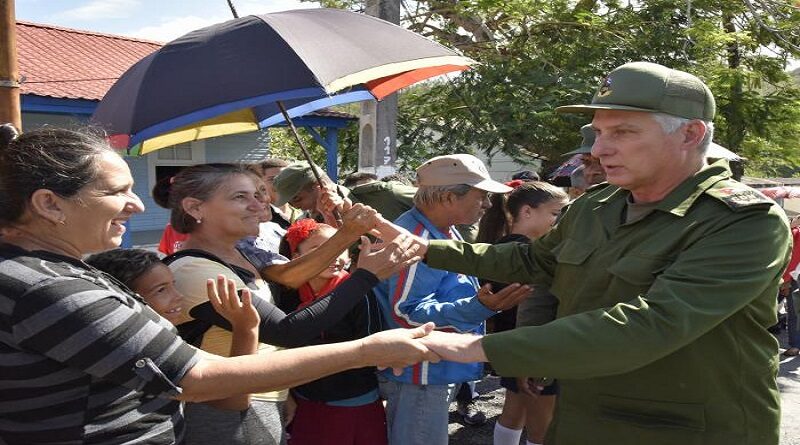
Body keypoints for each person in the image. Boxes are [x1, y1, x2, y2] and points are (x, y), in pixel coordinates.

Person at [409, 62, 792, 445]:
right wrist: (424, 248)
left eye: (623, 132)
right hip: (582, 417)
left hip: (686, 428)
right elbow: (534, 262)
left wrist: (474, 347)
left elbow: (653, 324)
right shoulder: (599, 205)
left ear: (690, 134)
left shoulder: (743, 222)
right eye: (598, 132)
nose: (598, 149)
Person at [0, 124, 438, 445]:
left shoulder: (56, 269)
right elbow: (200, 374)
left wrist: (343, 237)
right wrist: (367, 343)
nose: (135, 205)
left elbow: (282, 279)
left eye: (259, 195)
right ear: (49, 204)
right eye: (117, 191)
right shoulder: (49, 287)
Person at [160, 162, 423, 444]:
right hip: (223, 409)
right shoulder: (194, 270)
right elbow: (287, 330)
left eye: (258, 195)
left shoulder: (240, 256)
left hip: (262, 396)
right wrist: (366, 275)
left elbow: (290, 281)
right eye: (240, 197)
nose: (259, 205)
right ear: (195, 208)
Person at [372, 154, 531, 445]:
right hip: (421, 374)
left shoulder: (437, 230)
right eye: (481, 196)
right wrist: (480, 307)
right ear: (447, 197)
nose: (487, 205)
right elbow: (405, 314)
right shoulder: (413, 238)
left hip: (431, 370)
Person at [86, 248, 260, 412]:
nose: (179, 296)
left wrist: (244, 327)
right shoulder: (142, 349)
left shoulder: (169, 340)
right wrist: (246, 329)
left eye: (173, 285)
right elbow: (234, 401)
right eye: (161, 290)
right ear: (125, 298)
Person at [279, 219, 388, 445]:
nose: (334, 256)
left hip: (354, 400)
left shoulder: (357, 291)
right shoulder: (288, 294)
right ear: (296, 257)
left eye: (340, 247)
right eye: (320, 249)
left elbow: (372, 347)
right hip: (305, 400)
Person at [476, 181, 568, 445]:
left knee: (515, 412)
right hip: (533, 346)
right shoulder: (522, 252)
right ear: (527, 211)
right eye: (555, 214)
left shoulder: (504, 245)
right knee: (541, 430)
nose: (560, 222)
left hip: (516, 345)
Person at [273, 161, 417, 223]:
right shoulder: (306, 223)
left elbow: (437, 202)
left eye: (297, 199)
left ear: (319, 185)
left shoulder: (386, 194)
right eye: (290, 203)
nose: (295, 207)